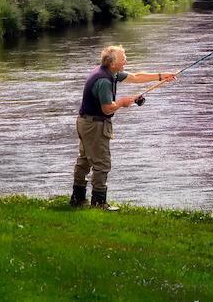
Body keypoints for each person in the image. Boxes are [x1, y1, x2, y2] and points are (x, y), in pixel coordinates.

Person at [71, 45, 176, 209]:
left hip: (85, 122)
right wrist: (122, 103)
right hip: (94, 126)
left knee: (84, 160)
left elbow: (135, 77)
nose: (126, 60)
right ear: (113, 63)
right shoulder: (104, 80)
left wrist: (162, 76)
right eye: (123, 58)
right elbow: (107, 108)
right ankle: (98, 203)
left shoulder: (109, 72)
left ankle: (77, 199)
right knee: (102, 163)